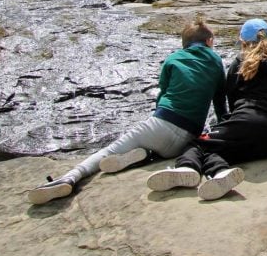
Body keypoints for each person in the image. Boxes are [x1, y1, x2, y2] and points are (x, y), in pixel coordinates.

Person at [28, 18, 226, 205]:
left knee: (108, 151)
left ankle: (71, 177)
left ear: (185, 43)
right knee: (167, 150)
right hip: (188, 137)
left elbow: (162, 95)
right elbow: (220, 104)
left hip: (161, 124)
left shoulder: (173, 58)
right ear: (209, 41)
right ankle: (143, 155)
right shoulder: (216, 61)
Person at [146, 17, 267, 200]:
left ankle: (190, 168)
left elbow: (231, 100)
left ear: (242, 41)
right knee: (219, 149)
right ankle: (220, 174)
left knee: (198, 145)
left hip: (244, 122)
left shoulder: (240, 62)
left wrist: (222, 126)